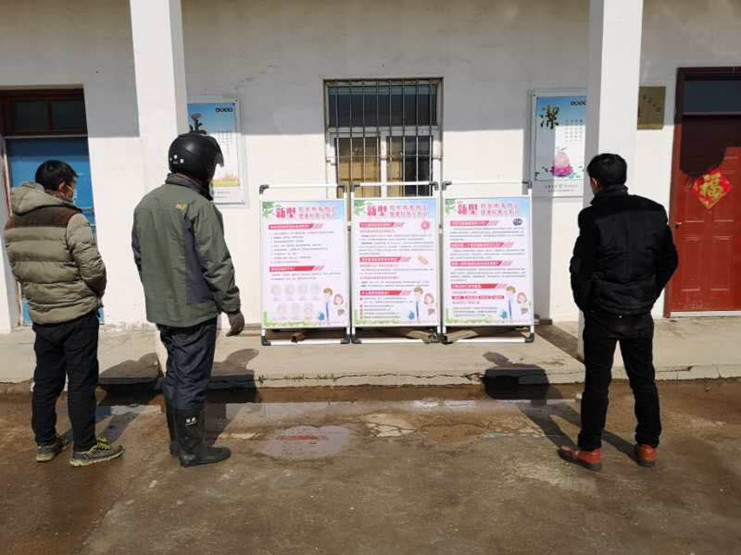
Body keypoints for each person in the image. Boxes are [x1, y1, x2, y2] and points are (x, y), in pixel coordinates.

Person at [132, 133, 245, 468]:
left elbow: (140, 257)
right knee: (192, 380)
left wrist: (159, 292)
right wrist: (232, 307)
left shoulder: (146, 203)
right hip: (194, 311)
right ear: (204, 167)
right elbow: (216, 263)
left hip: (163, 310)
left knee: (175, 375)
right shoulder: (198, 206)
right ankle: (193, 450)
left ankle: (177, 442)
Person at [560, 153, 678, 471]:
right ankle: (648, 446)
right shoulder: (654, 211)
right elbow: (669, 259)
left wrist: (587, 304)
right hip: (639, 310)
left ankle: (590, 449)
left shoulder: (592, 217)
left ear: (595, 182)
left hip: (604, 311)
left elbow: (581, 268)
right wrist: (649, 293)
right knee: (644, 380)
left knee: (597, 383)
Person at [4, 161, 124, 467]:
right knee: (81, 381)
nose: (73, 190)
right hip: (76, 313)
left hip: (42, 314)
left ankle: (45, 442)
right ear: (62, 187)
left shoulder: (13, 223)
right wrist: (95, 292)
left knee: (46, 381)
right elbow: (92, 267)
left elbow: (18, 268)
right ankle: (85, 447)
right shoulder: (70, 218)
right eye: (72, 185)